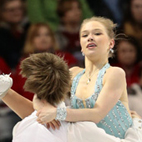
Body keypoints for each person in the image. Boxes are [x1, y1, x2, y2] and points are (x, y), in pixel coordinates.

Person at [0, 16, 142, 142]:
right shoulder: (73, 73)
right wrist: (46, 109)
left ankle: (6, 93)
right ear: (81, 45)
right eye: (85, 35)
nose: (90, 37)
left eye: (97, 33)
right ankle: (5, 91)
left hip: (108, 137)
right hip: (83, 134)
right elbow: (38, 98)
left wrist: (56, 113)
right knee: (38, 120)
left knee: (59, 121)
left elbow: (97, 114)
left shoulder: (115, 73)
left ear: (110, 43)